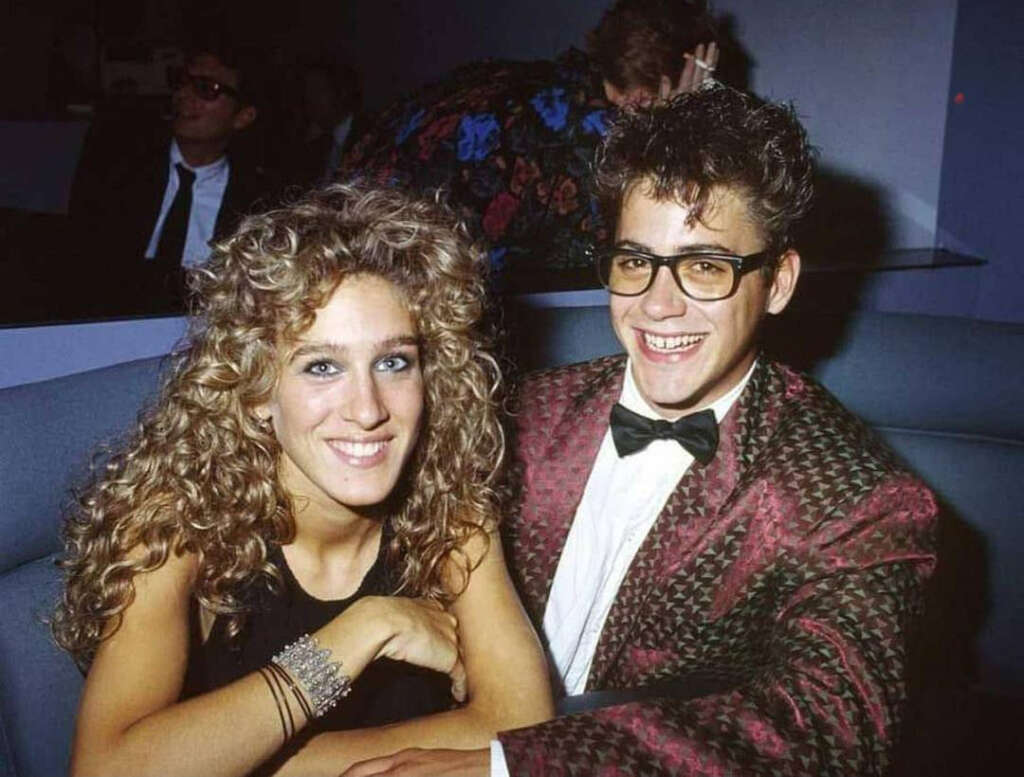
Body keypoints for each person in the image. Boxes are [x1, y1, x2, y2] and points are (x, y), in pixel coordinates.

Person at [344, 86, 938, 777]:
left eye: (706, 266)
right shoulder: (518, 411)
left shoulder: (859, 497)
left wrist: (511, 768)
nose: (657, 304)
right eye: (635, 262)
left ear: (778, 282)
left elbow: (830, 726)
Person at [51, 184, 553, 776]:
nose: (367, 409)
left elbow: (524, 730)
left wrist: (234, 761)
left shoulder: (454, 511)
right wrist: (368, 628)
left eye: (394, 362)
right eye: (322, 367)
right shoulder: (175, 521)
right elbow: (109, 772)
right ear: (258, 389)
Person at [338, 0, 719, 284]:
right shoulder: (595, 140)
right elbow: (644, 247)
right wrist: (678, 124)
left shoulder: (515, 76)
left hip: (341, 238)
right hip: (393, 271)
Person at [68, 44, 275, 308]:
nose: (183, 95)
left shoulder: (257, 203)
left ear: (243, 117)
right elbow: (80, 264)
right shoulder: (120, 170)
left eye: (206, 89)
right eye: (181, 82)